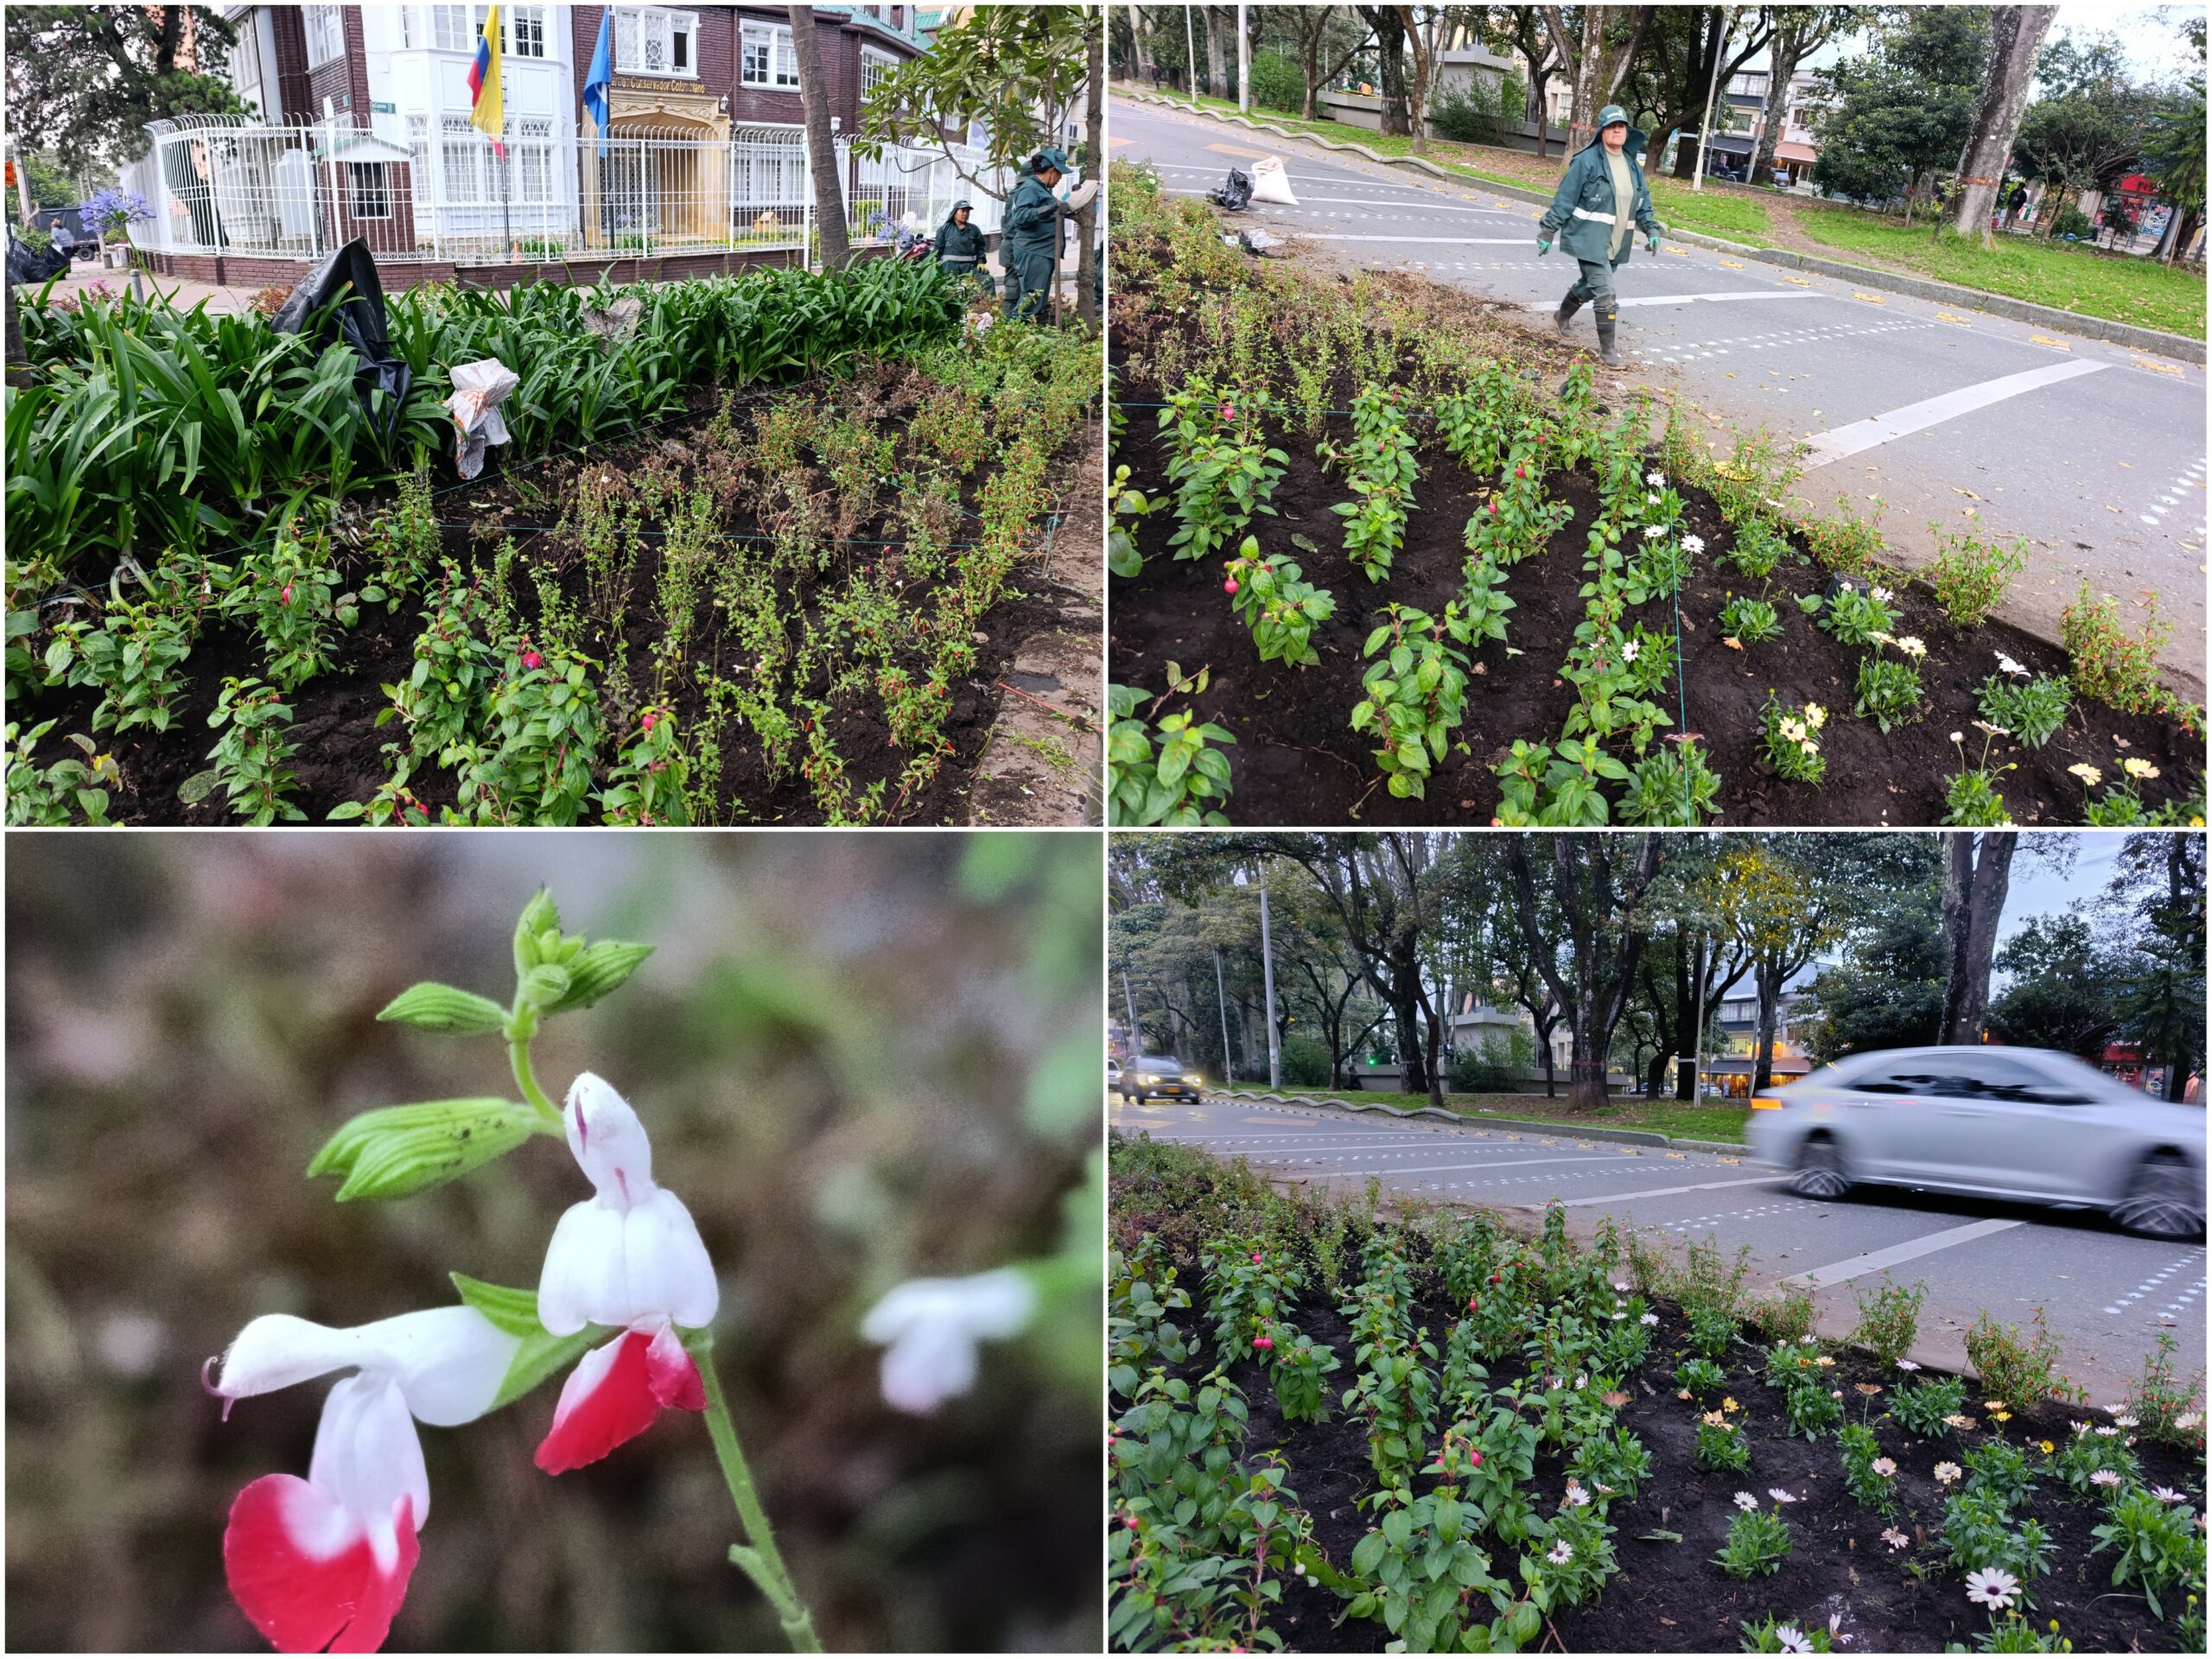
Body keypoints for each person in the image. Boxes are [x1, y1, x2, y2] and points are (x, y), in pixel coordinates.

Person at [1536, 104, 1662, 368]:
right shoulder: (1587, 161)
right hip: (1588, 240)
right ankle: (1608, 351)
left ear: (1627, 131)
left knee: (1591, 286)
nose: (1617, 130)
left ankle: (1561, 316)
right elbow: (1565, 199)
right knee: (1605, 293)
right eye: (1611, 126)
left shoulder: (1632, 165)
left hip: (1616, 243)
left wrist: (1651, 229)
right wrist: (1548, 230)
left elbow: (1642, 203)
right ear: (1602, 131)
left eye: (1621, 126)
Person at [1001, 146, 1096, 323]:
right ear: (1052, 170)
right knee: (1030, 302)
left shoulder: (1042, 189)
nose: (1060, 178)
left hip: (1042, 252)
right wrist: (1050, 208)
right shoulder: (1030, 188)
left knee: (1036, 303)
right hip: (1033, 252)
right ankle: (1011, 338)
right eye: (1059, 173)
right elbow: (1020, 217)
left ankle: (1025, 339)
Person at [933, 199, 992, 295]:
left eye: (967, 211)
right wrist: (934, 266)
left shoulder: (974, 230)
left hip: (970, 268)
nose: (965, 214)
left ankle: (988, 306)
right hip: (949, 269)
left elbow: (981, 246)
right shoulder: (944, 230)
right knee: (951, 292)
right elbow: (937, 250)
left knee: (988, 281)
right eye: (963, 211)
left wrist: (981, 262)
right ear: (955, 213)